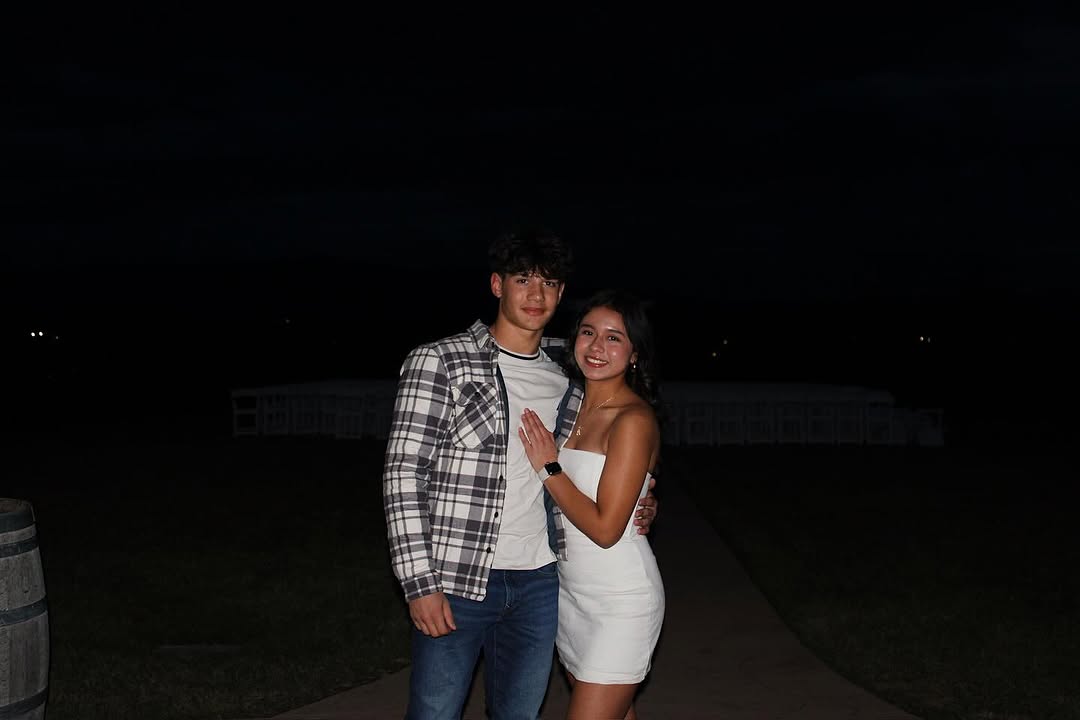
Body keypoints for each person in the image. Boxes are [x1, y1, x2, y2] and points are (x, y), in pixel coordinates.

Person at [382, 230, 658, 720]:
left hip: (540, 583)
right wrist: (418, 582)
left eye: (549, 284)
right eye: (523, 280)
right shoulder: (441, 361)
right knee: (434, 714)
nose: (536, 295)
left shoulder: (568, 378)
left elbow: (598, 462)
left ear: (561, 293)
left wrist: (640, 498)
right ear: (497, 285)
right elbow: (404, 475)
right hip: (459, 578)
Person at [518, 288, 665, 720]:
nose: (597, 346)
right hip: (571, 596)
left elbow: (605, 529)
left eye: (614, 337)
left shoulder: (633, 420)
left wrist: (549, 468)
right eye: (588, 332)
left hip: (620, 600)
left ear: (635, 354)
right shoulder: (569, 405)